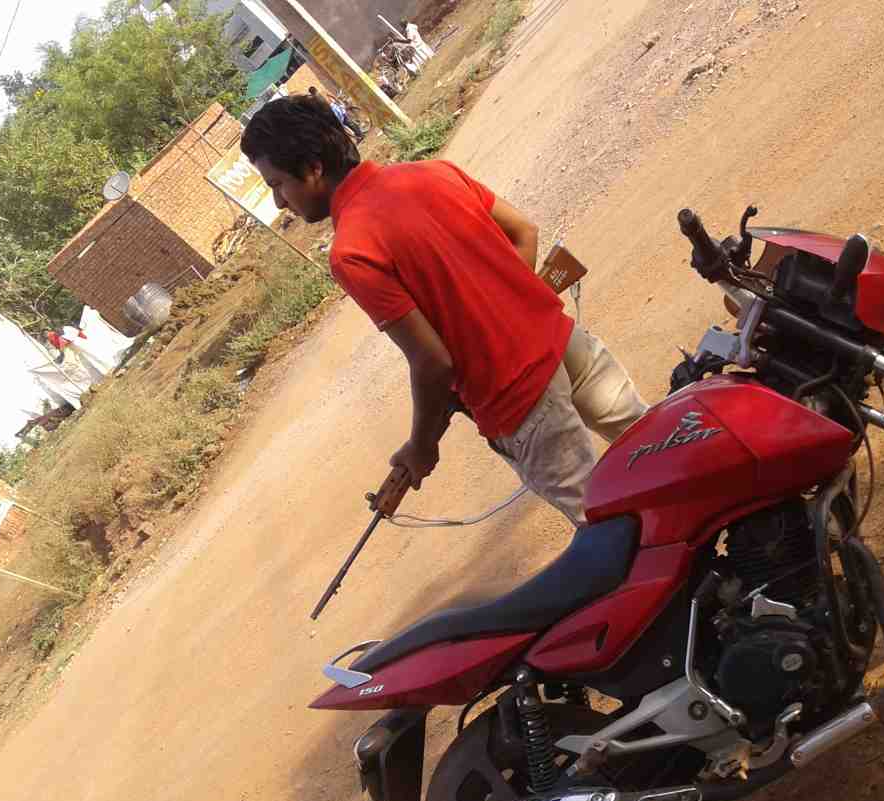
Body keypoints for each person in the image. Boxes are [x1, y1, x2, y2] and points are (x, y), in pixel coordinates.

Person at [240, 95, 647, 525]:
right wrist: (507, 310)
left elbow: (433, 362)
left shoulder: (352, 251)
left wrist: (421, 446)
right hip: (566, 343)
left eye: (278, 184)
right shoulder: (432, 173)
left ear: (313, 168)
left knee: (614, 530)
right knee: (667, 448)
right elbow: (523, 231)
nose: (281, 203)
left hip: (517, 397)